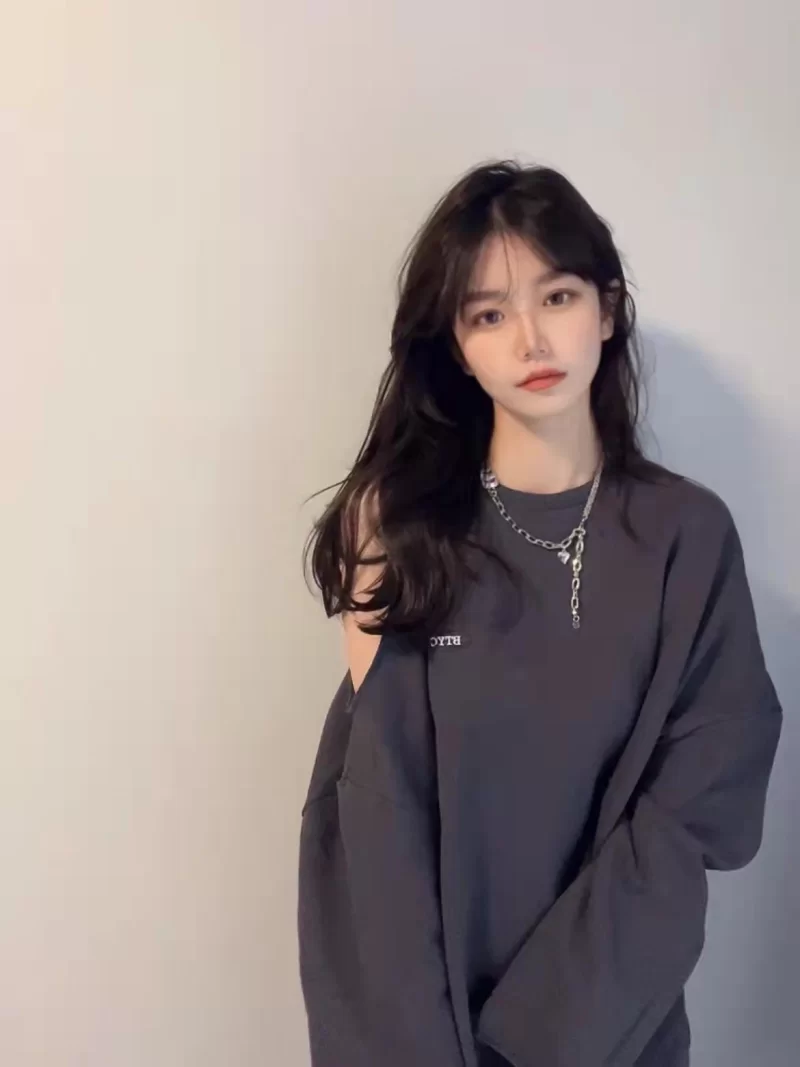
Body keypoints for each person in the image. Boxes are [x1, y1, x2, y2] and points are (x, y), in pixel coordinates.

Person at [297, 159, 783, 1067]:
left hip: (614, 1034)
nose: (530, 339)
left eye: (556, 297)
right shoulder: (398, 532)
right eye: (489, 314)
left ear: (607, 309)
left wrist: (541, 1042)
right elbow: (378, 820)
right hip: (424, 1037)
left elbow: (696, 813)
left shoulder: (687, 537)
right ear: (458, 346)